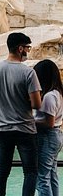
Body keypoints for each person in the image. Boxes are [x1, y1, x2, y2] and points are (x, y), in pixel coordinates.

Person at [0, 32, 42, 196]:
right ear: (20, 48)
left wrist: (3, 114)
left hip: (3, 129)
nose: (28, 51)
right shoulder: (28, 73)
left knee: (2, 170)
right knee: (30, 172)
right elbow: (37, 104)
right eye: (27, 48)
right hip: (25, 129)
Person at [33, 59, 63, 196]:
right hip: (56, 136)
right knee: (51, 175)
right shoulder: (58, 93)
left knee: (42, 178)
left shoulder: (49, 96)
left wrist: (29, 121)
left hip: (48, 136)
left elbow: (48, 123)